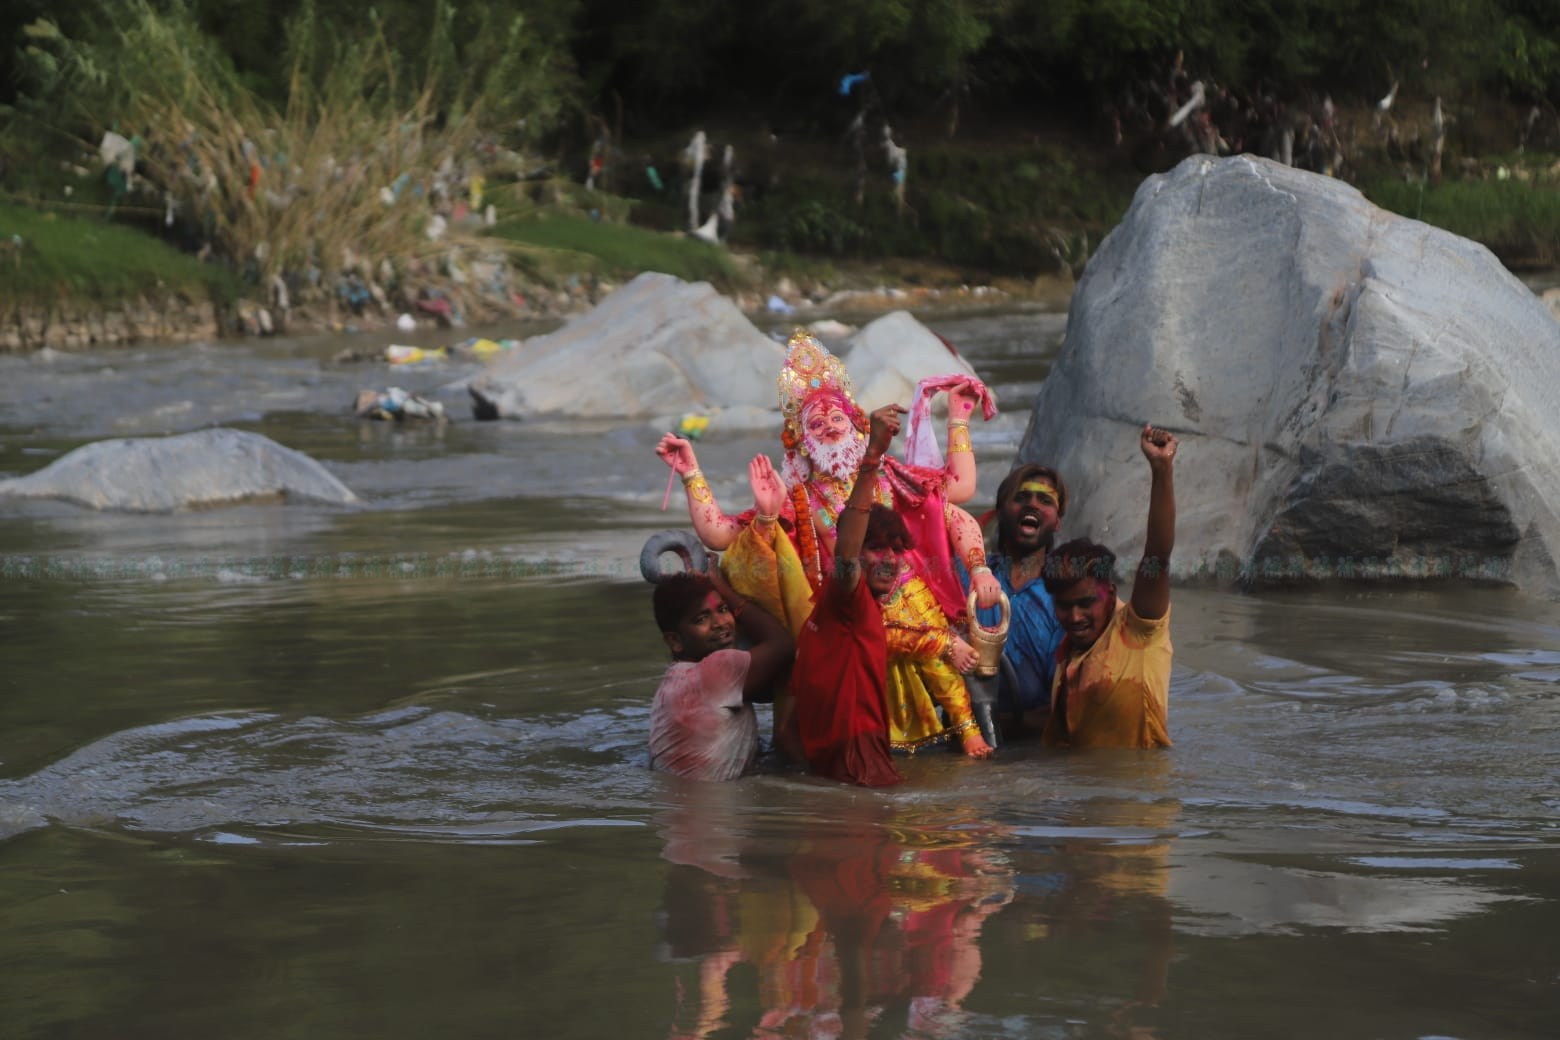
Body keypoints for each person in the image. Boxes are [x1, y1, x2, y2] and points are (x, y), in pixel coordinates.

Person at [648, 456, 796, 781]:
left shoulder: (675, 682)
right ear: (674, 640)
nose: (720, 624)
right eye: (702, 618)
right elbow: (783, 645)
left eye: (722, 610)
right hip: (717, 815)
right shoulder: (716, 672)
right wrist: (724, 590)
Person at [790, 405, 914, 786]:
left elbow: (787, 730)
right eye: (877, 548)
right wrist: (873, 455)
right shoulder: (850, 599)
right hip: (861, 774)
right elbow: (846, 554)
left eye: (897, 550)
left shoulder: (830, 613)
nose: (891, 561)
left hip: (845, 775)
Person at [1041, 425, 1178, 749]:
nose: (1074, 617)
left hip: (1138, 795)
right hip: (1083, 795)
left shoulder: (1136, 633)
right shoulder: (1067, 653)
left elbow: (1157, 554)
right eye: (1064, 606)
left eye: (1086, 603)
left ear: (1112, 595)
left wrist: (1161, 470)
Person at [976, 464, 1069, 737]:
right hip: (963, 736)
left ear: (1058, 520)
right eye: (1021, 497)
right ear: (1000, 511)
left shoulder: (1065, 594)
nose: (1032, 505)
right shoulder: (968, 576)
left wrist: (998, 723)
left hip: (1034, 751)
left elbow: (1069, 708)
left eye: (1045, 500)